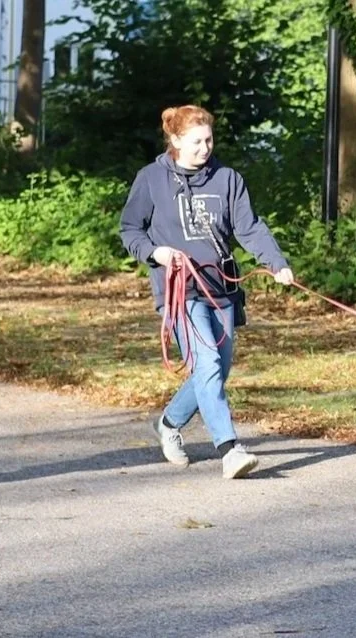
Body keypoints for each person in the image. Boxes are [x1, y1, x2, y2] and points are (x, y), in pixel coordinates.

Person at [119, 104, 294, 478]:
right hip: (179, 290)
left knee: (217, 368)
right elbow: (130, 230)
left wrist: (277, 263)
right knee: (207, 364)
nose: (205, 148)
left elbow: (249, 228)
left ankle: (168, 423)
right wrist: (156, 253)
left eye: (209, 140)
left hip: (222, 288)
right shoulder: (151, 179)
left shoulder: (227, 179)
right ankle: (230, 449)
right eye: (196, 142)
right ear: (176, 140)